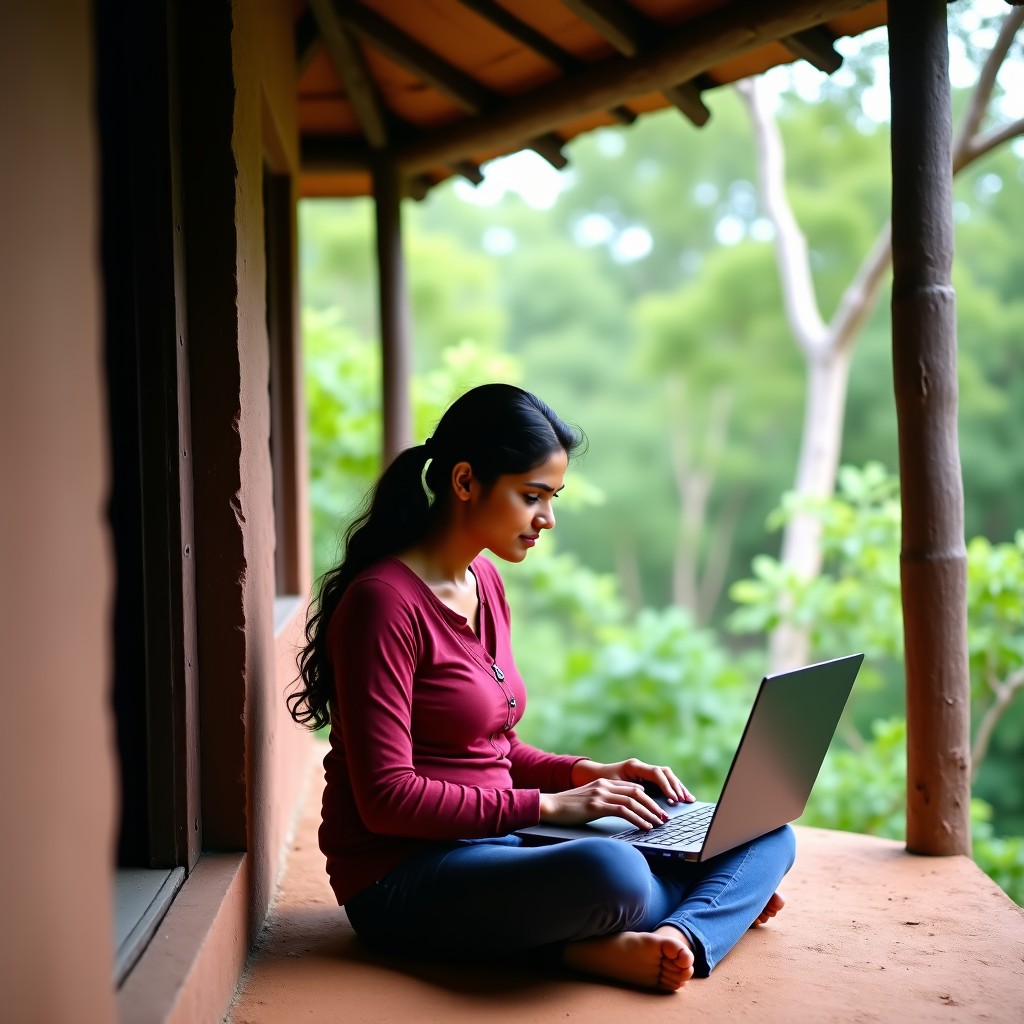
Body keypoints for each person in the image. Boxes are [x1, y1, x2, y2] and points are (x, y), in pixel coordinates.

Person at [288, 383, 795, 993]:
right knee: (616, 872)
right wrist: (550, 807)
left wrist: (585, 773)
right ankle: (679, 915)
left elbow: (495, 751)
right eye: (532, 497)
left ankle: (677, 935)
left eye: (552, 498)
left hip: (501, 842)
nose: (546, 519)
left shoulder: (483, 581)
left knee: (762, 831)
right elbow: (387, 799)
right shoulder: (384, 604)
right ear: (466, 481)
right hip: (404, 875)